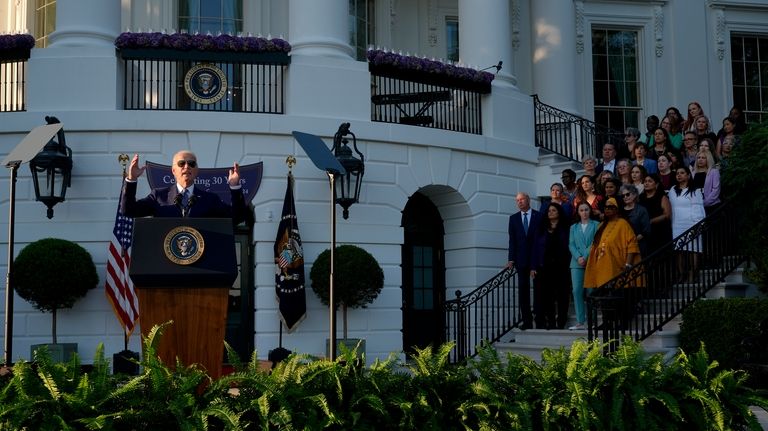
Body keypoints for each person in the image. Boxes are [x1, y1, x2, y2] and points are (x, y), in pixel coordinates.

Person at [120, 151, 248, 224]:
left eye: (191, 164)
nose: (186, 167)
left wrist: (235, 187)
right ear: (173, 170)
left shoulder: (210, 199)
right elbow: (129, 211)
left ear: (197, 170)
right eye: (181, 163)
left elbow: (237, 217)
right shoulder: (159, 196)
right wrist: (132, 179)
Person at [583, 197, 641, 289]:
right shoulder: (601, 225)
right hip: (601, 267)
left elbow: (632, 245)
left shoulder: (623, 224)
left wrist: (628, 264)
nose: (607, 209)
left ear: (617, 209)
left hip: (617, 266)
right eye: (606, 207)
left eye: (610, 207)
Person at [531, 204, 571, 329]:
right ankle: (551, 322)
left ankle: (561, 322)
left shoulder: (566, 228)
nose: (550, 212)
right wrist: (533, 266)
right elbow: (535, 248)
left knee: (562, 296)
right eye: (549, 211)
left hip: (562, 267)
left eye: (553, 210)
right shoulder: (541, 228)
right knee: (547, 296)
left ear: (559, 212)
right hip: (544, 267)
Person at [507, 193, 542, 330]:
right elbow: (512, 241)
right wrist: (511, 259)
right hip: (520, 260)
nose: (519, 202)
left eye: (522, 200)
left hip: (536, 259)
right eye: (517, 201)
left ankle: (539, 319)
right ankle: (527, 320)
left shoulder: (538, 216)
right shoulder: (513, 218)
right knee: (523, 291)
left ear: (528, 200)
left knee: (538, 290)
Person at [669, 166, 706, 283]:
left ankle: (693, 274)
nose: (679, 175)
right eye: (677, 173)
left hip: (691, 223)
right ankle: (681, 274)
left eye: (682, 173)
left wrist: (697, 225)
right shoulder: (672, 190)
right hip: (676, 224)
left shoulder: (695, 190)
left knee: (693, 250)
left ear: (688, 175)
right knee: (679, 250)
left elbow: (698, 208)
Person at [568, 202, 599, 330]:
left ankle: (592, 321)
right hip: (576, 263)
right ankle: (581, 321)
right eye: (582, 210)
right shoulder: (573, 227)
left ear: (590, 211)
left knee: (591, 291)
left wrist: (585, 257)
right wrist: (578, 257)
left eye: (586, 210)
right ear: (578, 212)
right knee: (576, 291)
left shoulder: (596, 225)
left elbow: (595, 242)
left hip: (591, 261)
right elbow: (571, 244)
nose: (584, 212)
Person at [640, 174, 673, 256]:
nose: (646, 183)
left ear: (657, 184)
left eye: (650, 181)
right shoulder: (640, 197)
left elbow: (667, 215)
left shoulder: (662, 197)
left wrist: (651, 221)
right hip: (646, 232)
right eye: (645, 181)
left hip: (660, 231)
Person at [620, 184, 651, 257]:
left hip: (638, 246)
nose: (625, 197)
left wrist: (632, 241)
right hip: (622, 246)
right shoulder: (620, 211)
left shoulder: (641, 210)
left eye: (627, 194)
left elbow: (646, 231)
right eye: (623, 196)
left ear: (634, 195)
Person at [692, 148, 721, 215]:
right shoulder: (693, 173)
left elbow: (716, 190)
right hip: (698, 208)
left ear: (708, 159)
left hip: (712, 206)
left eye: (703, 158)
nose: (700, 159)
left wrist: (705, 202)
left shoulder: (714, 172)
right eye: (698, 157)